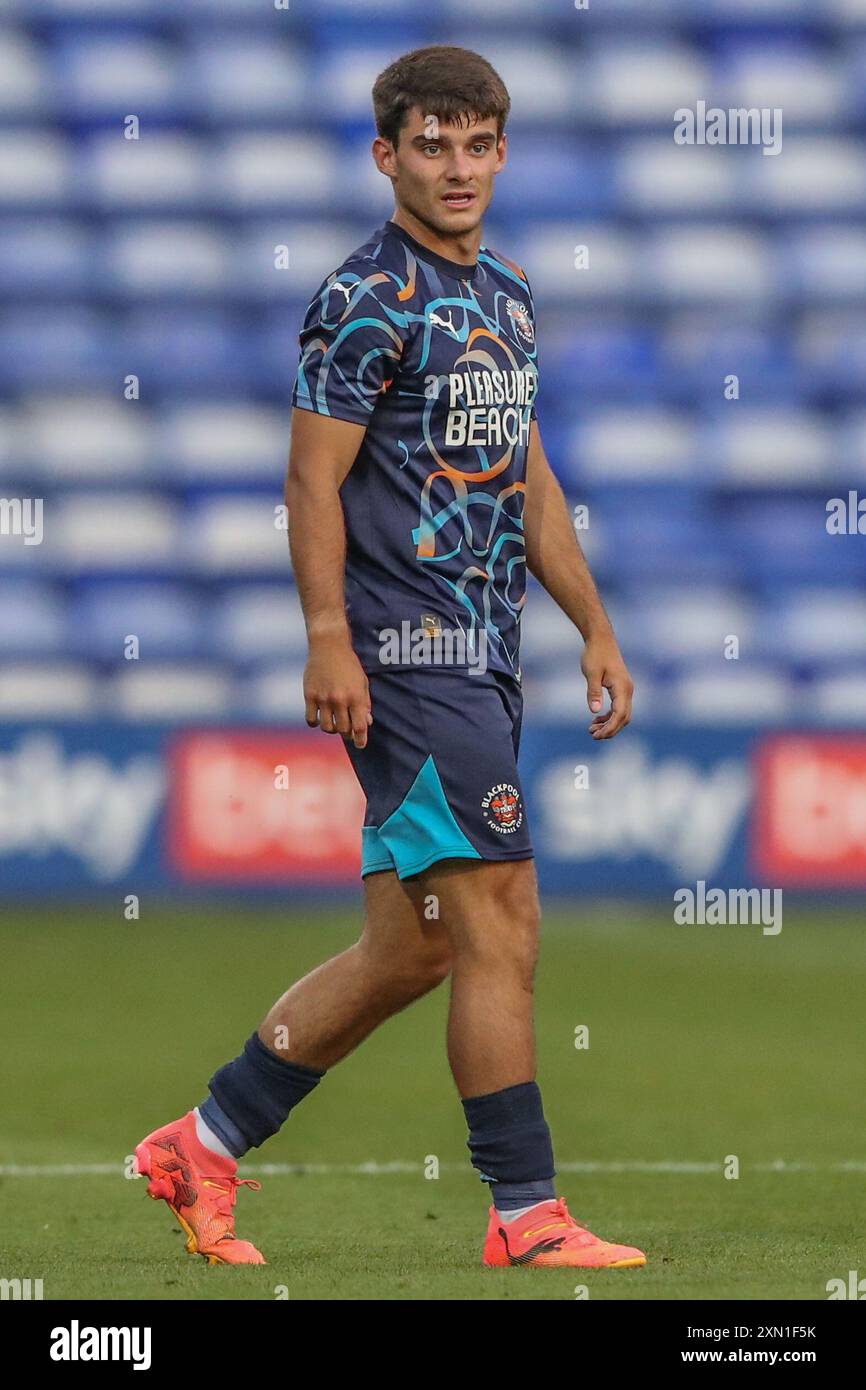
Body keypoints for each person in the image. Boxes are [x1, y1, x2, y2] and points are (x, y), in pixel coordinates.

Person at [135, 44, 644, 1272]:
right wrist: (328, 639)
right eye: (431, 144)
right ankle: (524, 1212)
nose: (456, 167)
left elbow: (525, 483)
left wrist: (594, 622)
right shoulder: (364, 297)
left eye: (477, 144)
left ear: (502, 151)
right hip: (408, 660)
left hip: (486, 657)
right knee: (499, 920)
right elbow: (311, 480)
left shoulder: (509, 296)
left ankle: (201, 1142)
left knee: (414, 941)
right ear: (387, 154)